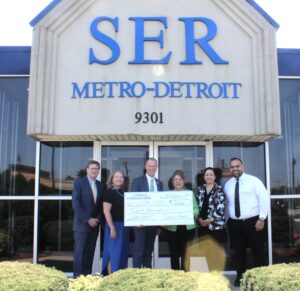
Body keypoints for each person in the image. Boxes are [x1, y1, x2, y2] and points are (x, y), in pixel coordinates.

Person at [224, 157, 269, 287]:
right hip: (235, 224)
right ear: (229, 168)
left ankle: (261, 278)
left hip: (253, 222)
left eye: (237, 166)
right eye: (232, 167)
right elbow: (227, 204)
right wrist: (227, 221)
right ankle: (240, 277)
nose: (235, 169)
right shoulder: (228, 184)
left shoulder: (254, 181)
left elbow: (264, 198)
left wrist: (262, 218)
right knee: (238, 253)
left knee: (258, 251)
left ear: (242, 166)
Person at [72, 160, 103, 278]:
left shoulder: (100, 185)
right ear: (87, 170)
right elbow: (76, 204)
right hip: (81, 226)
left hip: (94, 226)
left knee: (90, 253)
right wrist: (88, 219)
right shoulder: (79, 183)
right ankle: (77, 279)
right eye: (92, 168)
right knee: (79, 254)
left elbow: (101, 206)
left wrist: (97, 219)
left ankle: (86, 277)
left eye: (96, 169)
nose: (94, 171)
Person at [131, 158, 163, 268]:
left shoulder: (159, 183)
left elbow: (160, 204)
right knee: (139, 250)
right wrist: (137, 220)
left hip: (153, 225)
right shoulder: (137, 181)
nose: (152, 168)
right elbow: (134, 202)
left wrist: (159, 224)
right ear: (145, 167)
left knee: (149, 251)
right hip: (140, 223)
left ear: (157, 167)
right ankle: (136, 275)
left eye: (154, 166)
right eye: (150, 166)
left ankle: (147, 275)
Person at [165, 170, 199, 271]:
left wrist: (193, 213)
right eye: (175, 179)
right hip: (172, 228)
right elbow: (164, 210)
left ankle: (185, 276)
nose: (178, 181)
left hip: (188, 228)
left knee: (186, 253)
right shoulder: (167, 194)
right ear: (172, 182)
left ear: (183, 181)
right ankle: (175, 275)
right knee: (173, 253)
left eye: (180, 179)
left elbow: (196, 208)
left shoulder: (189, 193)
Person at [101, 171, 130, 275]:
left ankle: (119, 278)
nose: (119, 179)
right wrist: (112, 227)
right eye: (116, 177)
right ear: (112, 179)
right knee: (113, 253)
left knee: (122, 253)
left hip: (124, 227)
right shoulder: (109, 193)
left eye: (121, 177)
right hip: (114, 226)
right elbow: (106, 211)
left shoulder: (124, 193)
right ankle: (111, 278)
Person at [197, 167, 226, 244]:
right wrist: (199, 218)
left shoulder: (220, 189)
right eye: (207, 175)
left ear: (215, 177)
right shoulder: (200, 189)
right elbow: (196, 206)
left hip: (215, 226)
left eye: (211, 175)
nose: (209, 177)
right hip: (202, 225)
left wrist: (209, 220)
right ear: (204, 177)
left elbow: (221, 208)